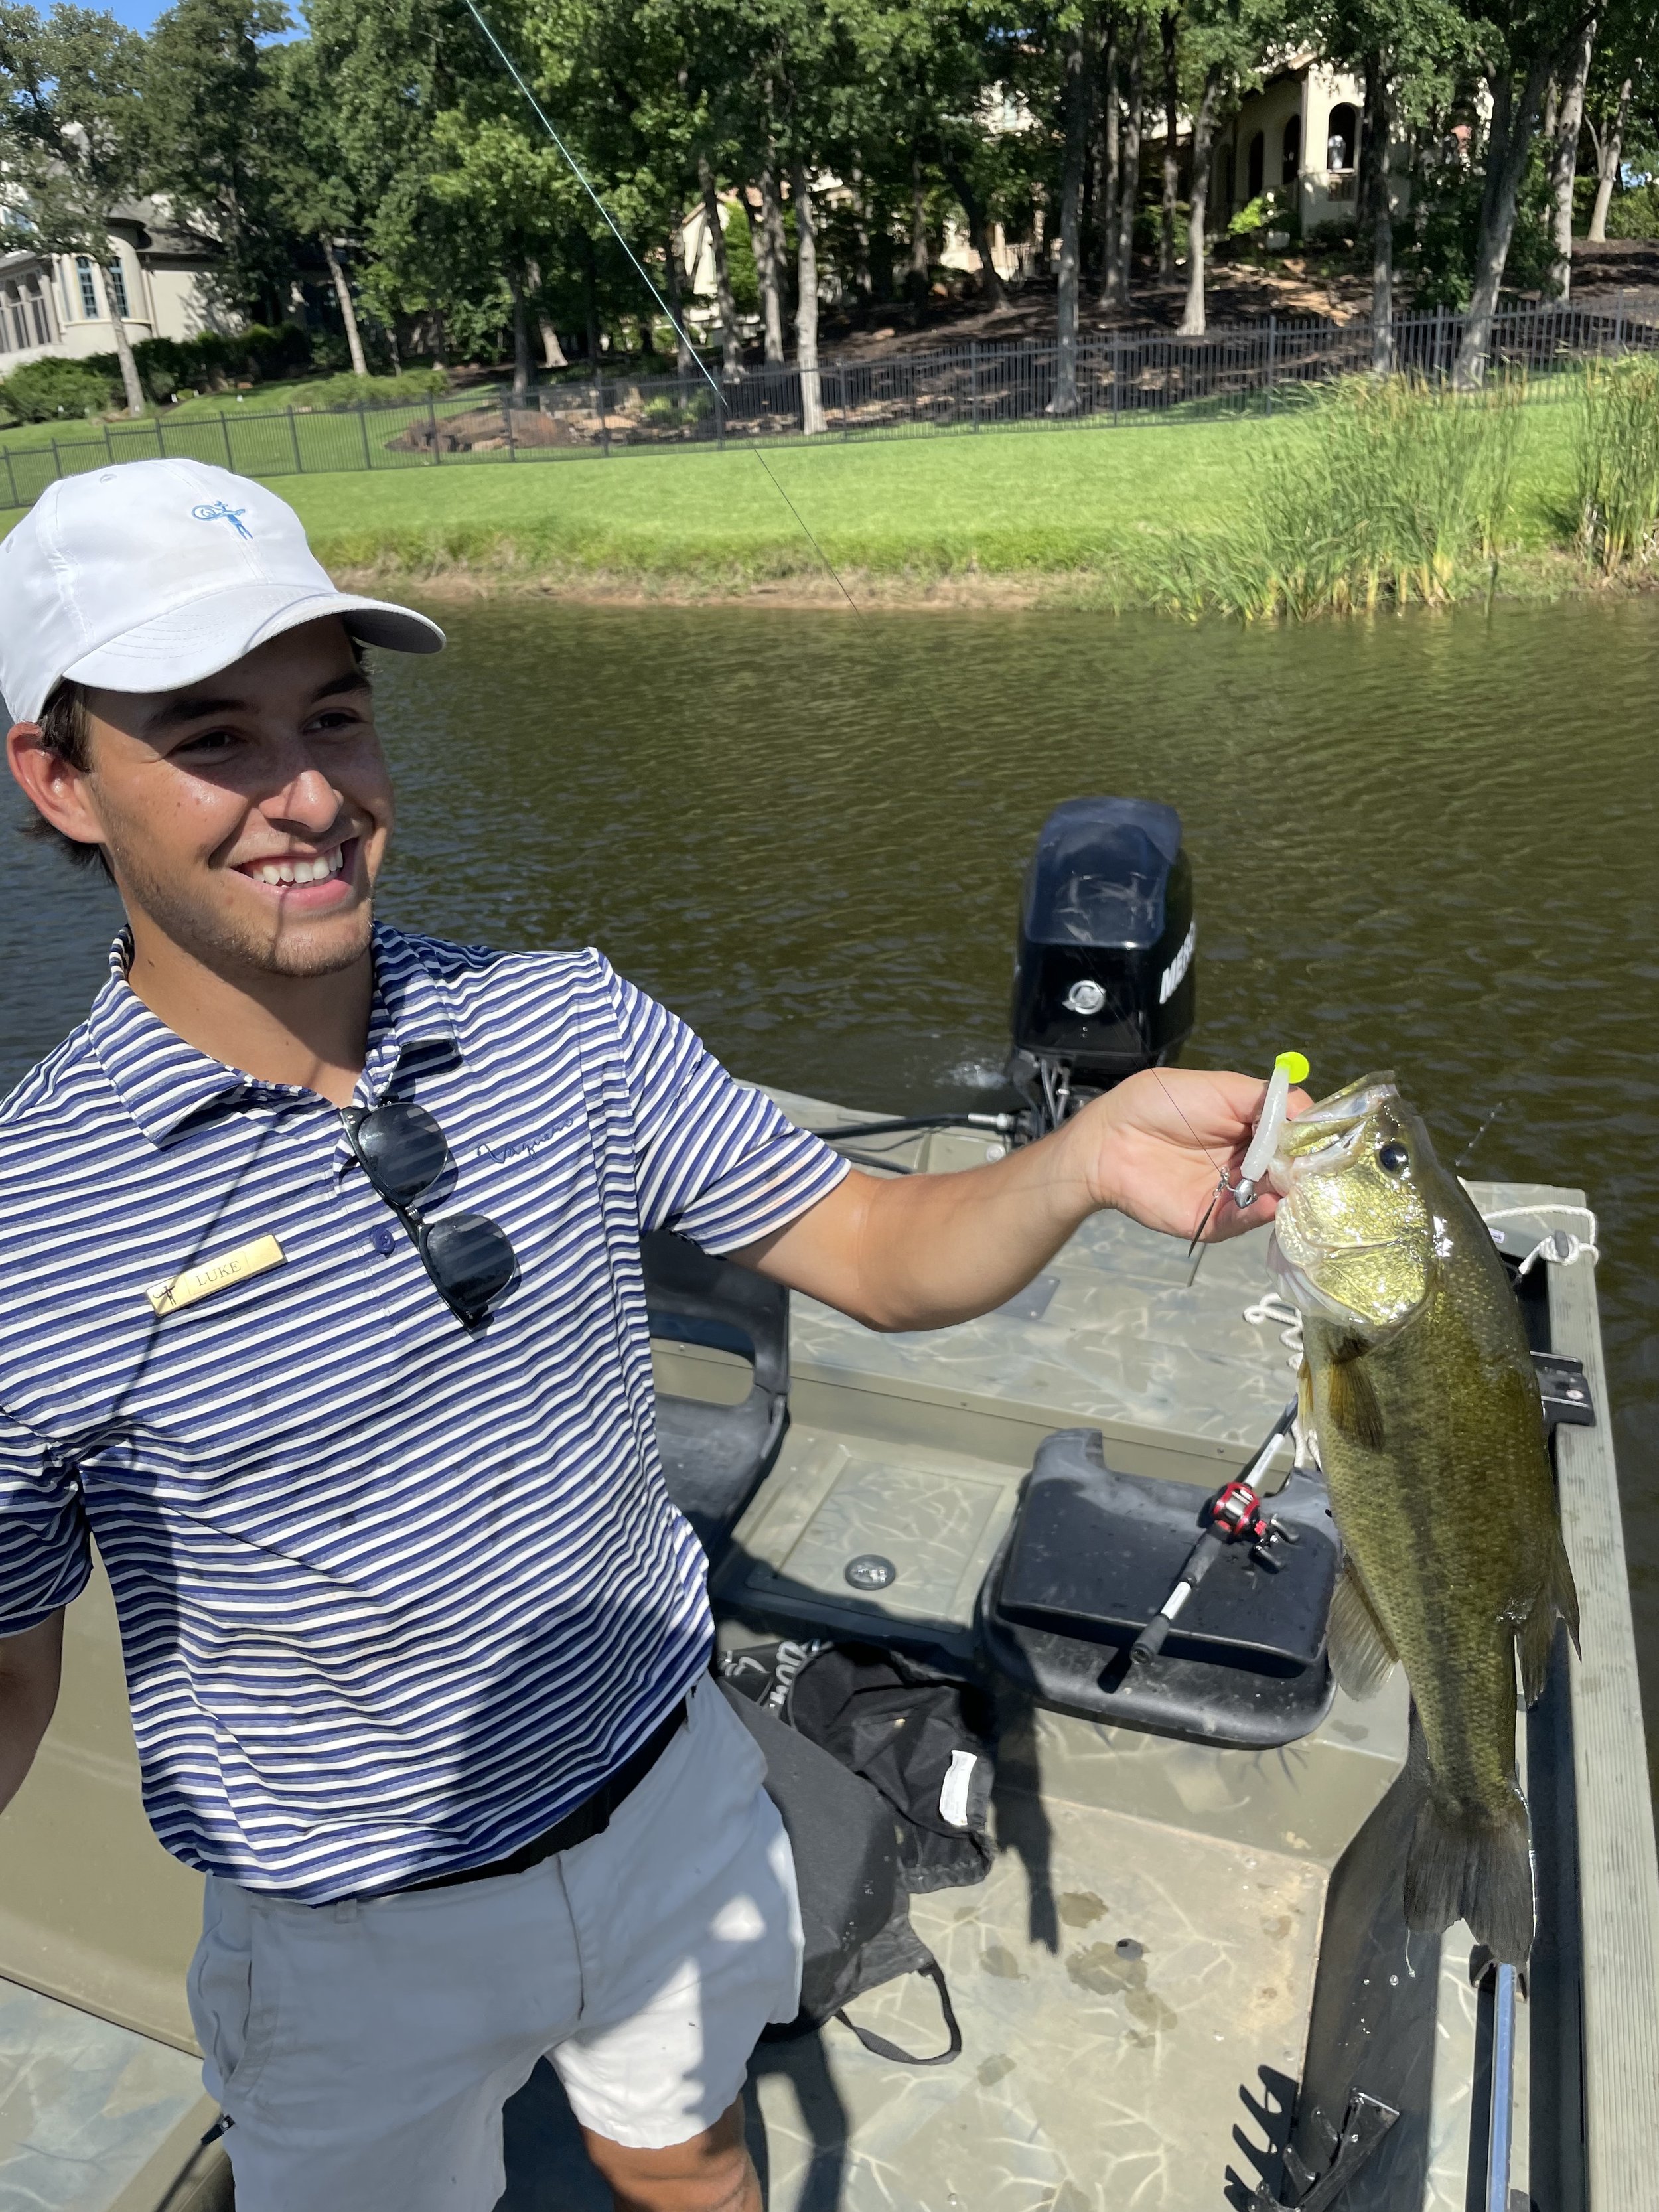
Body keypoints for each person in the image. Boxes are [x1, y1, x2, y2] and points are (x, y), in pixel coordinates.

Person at [0, 459, 1288, 2212]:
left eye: (339, 716)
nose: (308, 794)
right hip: (343, 1935)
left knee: (684, 2152)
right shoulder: (32, 1230)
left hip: (667, 1788)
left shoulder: (564, 1026)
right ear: (62, 780)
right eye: (213, 736)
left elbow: (873, 1245)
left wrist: (1074, 1161)